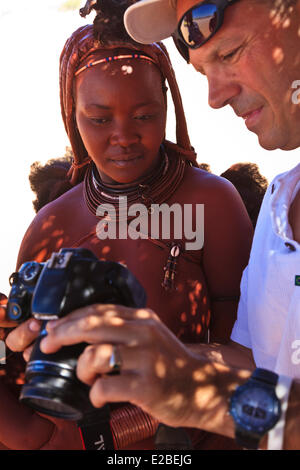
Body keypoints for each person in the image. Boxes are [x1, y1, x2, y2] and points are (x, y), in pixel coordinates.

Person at [15, 0, 300, 450]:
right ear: (71, 113)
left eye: (144, 115)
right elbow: (35, 417)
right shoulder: (52, 225)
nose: (123, 137)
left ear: (168, 105)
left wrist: (180, 400)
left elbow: (253, 370)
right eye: (99, 118)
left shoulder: (216, 205)